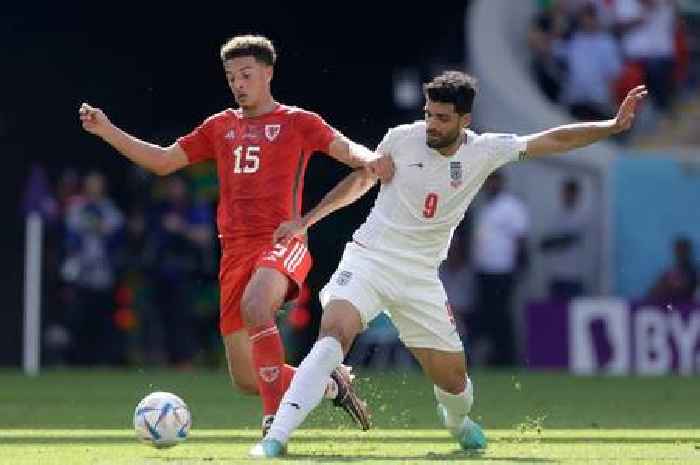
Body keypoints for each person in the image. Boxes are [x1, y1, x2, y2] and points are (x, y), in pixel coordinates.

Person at [249, 71, 647, 457]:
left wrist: (611, 126)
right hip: (369, 259)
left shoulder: (485, 149)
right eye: (428, 114)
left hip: (420, 278)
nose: (431, 125)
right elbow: (361, 180)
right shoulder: (401, 140)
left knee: (455, 384)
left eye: (442, 118)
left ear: (464, 120)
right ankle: (275, 440)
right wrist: (306, 220)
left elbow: (554, 139)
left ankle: (456, 423)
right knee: (332, 336)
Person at [79, 34, 393, 434]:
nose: (239, 84)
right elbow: (161, 162)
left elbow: (352, 153)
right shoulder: (219, 127)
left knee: (257, 305)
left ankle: (272, 420)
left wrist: (372, 160)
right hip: (234, 253)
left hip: (282, 241)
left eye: (246, 74)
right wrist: (107, 130)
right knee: (248, 379)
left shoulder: (298, 122)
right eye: (231, 77)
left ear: (268, 73)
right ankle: (333, 385)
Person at [471, 171, 529, 366]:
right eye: (488, 182)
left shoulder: (510, 206)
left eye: (493, 182)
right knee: (487, 314)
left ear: (501, 183)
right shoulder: (485, 207)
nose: (490, 186)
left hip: (502, 269)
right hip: (485, 269)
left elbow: (520, 238)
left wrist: (521, 265)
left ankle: (507, 357)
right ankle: (494, 355)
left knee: (502, 315)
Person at [540, 178, 589, 299]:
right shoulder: (556, 215)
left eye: (570, 193)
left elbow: (567, 240)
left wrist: (555, 240)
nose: (567, 196)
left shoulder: (582, 216)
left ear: (576, 195)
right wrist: (555, 241)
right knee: (556, 313)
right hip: (556, 275)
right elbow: (544, 244)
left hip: (575, 276)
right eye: (565, 193)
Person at [647, 236, 697, 304]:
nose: (680, 253)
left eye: (683, 250)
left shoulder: (694, 273)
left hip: (684, 305)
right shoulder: (670, 274)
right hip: (672, 305)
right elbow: (652, 293)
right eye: (679, 250)